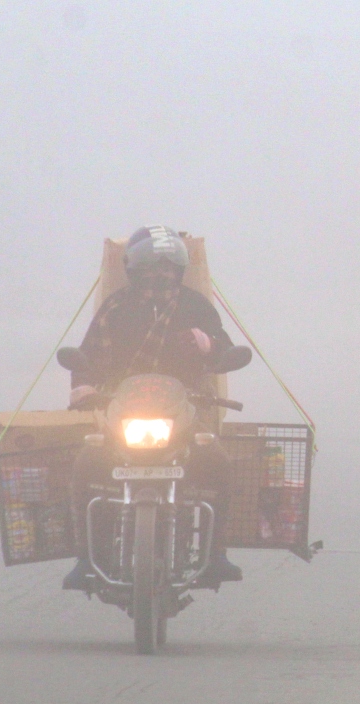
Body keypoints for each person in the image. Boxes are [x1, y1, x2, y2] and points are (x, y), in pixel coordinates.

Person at [62, 225, 243, 591]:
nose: (158, 274)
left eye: (167, 267)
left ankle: (217, 554)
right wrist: (82, 387)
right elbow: (87, 355)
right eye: (149, 267)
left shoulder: (196, 306)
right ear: (132, 269)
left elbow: (225, 350)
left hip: (186, 410)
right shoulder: (116, 307)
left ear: (180, 270)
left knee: (218, 463)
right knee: (85, 464)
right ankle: (85, 558)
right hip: (121, 412)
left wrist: (208, 344)